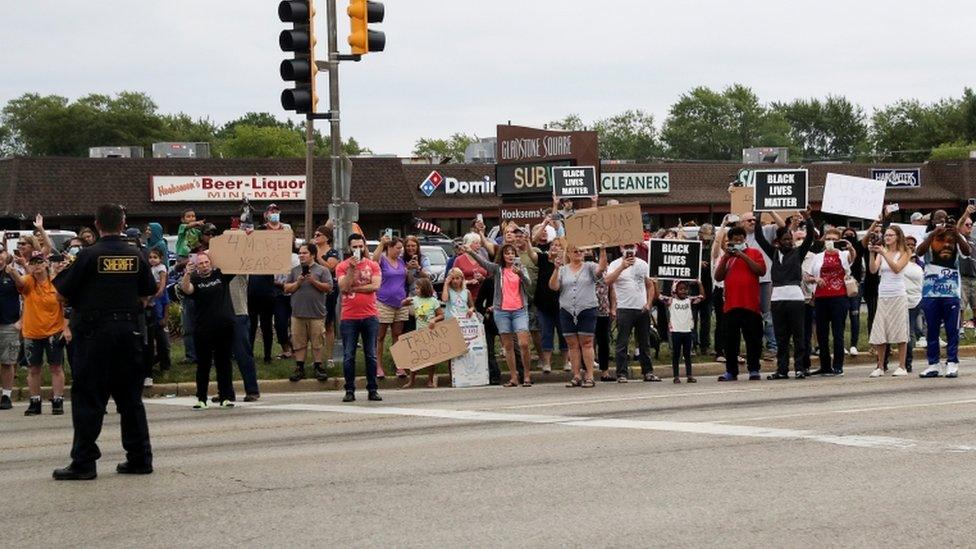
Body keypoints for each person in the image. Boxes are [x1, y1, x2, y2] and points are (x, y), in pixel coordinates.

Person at [51, 203, 156, 480]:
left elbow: (61, 293)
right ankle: (140, 458)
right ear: (123, 224)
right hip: (128, 332)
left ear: (97, 225)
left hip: (94, 335)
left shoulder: (88, 255)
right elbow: (148, 294)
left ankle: (84, 462)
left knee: (88, 398)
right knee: (131, 399)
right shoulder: (137, 255)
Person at [753, 208, 816, 380]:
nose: (789, 242)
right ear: (778, 241)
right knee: (781, 336)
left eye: (790, 239)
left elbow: (810, 237)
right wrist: (757, 216)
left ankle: (800, 368)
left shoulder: (798, 253)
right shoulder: (773, 253)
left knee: (798, 335)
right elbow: (759, 237)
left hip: (795, 298)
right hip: (777, 299)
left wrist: (808, 218)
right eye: (785, 239)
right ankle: (782, 370)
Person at [462, 243, 533, 387]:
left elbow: (529, 284)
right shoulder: (498, 269)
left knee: (524, 344)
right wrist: (471, 252)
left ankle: (526, 375)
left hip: (519, 310)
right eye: (507, 253)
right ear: (502, 255)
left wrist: (519, 273)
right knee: (507, 346)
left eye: (512, 253)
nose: (510, 256)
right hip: (502, 311)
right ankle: (513, 377)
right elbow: (484, 263)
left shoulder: (521, 268)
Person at [179, 251, 237, 409]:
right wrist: (187, 274)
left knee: (223, 363)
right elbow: (187, 289)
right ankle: (202, 398)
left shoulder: (221, 275)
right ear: (196, 266)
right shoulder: (195, 279)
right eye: (200, 264)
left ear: (211, 262)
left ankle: (225, 396)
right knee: (203, 364)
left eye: (206, 262)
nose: (204, 266)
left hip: (224, 326)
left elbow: (238, 263)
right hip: (203, 328)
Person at [916, 215, 971, 377]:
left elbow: (967, 252)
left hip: (951, 291)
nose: (946, 244)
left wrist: (956, 234)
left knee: (951, 329)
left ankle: (952, 362)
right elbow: (919, 252)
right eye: (940, 220)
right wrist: (934, 234)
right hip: (931, 291)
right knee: (931, 329)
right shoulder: (929, 236)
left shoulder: (957, 236)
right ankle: (933, 364)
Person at [13, 251, 67, 416]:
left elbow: (65, 307)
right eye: (33, 263)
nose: (36, 266)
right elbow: (19, 282)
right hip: (32, 332)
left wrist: (66, 327)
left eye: (39, 262)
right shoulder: (29, 282)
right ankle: (35, 400)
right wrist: (12, 270)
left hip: (54, 330)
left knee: (56, 367)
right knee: (33, 369)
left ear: (46, 264)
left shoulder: (56, 282)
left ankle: (57, 400)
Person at [549, 242, 607, 388]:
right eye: (574, 251)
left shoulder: (589, 266)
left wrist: (602, 250)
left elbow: (601, 269)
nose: (578, 253)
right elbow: (554, 286)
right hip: (567, 309)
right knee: (572, 344)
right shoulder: (563, 269)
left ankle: (589, 375)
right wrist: (556, 269)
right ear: (568, 254)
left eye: (580, 251)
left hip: (586, 308)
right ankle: (576, 375)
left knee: (587, 342)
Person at [714, 226, 767, 381]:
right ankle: (731, 371)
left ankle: (754, 369)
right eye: (735, 239)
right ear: (730, 241)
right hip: (731, 305)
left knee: (753, 340)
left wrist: (742, 255)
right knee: (730, 341)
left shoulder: (755, 253)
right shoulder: (727, 257)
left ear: (745, 239)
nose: (738, 241)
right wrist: (726, 257)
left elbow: (760, 271)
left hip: (751, 305)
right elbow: (718, 277)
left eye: (740, 239)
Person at [336, 233, 383, 402]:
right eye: (354, 246)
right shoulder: (342, 266)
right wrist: (351, 270)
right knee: (349, 355)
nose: (357, 249)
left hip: (370, 315)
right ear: (349, 248)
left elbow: (375, 286)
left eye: (360, 246)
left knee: (370, 354)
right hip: (349, 316)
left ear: (364, 246)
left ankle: (373, 389)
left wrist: (355, 289)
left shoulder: (373, 265)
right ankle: (349, 389)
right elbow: (343, 287)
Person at [605, 243, 661, 382]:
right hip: (624, 308)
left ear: (636, 248)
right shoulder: (614, 264)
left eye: (632, 246)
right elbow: (608, 281)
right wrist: (622, 267)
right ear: (621, 249)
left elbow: (649, 285)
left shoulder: (643, 264)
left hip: (641, 308)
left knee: (644, 342)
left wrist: (648, 303)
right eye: (626, 247)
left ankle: (647, 372)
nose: (629, 249)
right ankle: (622, 373)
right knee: (622, 342)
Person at [808, 228, 856, 376]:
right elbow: (808, 276)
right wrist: (815, 279)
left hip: (839, 296)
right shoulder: (818, 257)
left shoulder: (843, 255)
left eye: (834, 240)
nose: (831, 242)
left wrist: (850, 247)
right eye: (828, 239)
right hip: (821, 297)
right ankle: (825, 365)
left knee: (838, 332)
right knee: (822, 334)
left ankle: (838, 365)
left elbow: (852, 257)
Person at [285, 243, 334, 382]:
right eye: (300, 253)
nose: (301, 255)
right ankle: (300, 367)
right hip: (298, 313)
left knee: (317, 342)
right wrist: (298, 282)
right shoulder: (294, 271)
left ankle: (318, 366)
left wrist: (313, 281)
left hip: (316, 313)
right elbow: (287, 288)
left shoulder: (322, 270)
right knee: (298, 342)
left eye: (305, 253)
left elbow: (328, 288)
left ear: (312, 255)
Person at [868, 225, 911, 377]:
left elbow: (897, 268)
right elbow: (873, 270)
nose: (887, 238)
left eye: (891, 235)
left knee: (900, 329)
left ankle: (902, 366)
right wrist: (872, 254)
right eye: (886, 235)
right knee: (881, 329)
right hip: (883, 294)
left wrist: (884, 253)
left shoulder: (904, 252)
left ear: (898, 237)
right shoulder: (881, 252)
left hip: (898, 294)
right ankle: (880, 366)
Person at [372, 236, 410, 378]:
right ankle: (378, 367)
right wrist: (381, 243)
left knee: (397, 335)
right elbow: (373, 260)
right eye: (398, 248)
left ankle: (399, 366)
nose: (400, 251)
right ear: (390, 247)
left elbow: (406, 279)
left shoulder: (401, 262)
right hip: (383, 301)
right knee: (380, 336)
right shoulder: (382, 260)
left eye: (401, 248)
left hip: (401, 302)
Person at [534, 238, 569, 374]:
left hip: (562, 305)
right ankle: (546, 363)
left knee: (564, 334)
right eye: (553, 245)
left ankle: (566, 362)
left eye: (559, 245)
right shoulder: (543, 259)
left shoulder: (566, 264)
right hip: (544, 305)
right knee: (546, 334)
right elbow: (532, 253)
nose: (555, 247)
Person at [402, 278, 444, 389]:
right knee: (416, 359)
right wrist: (405, 302)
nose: (416, 290)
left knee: (431, 358)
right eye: (415, 288)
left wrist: (434, 320)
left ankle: (430, 380)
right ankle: (411, 381)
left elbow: (441, 315)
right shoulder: (415, 299)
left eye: (417, 288)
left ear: (425, 288)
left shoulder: (433, 301)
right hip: (418, 332)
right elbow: (403, 304)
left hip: (430, 333)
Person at [226, 274, 261, 401]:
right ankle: (226, 391)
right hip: (221, 315)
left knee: (243, 354)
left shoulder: (238, 267)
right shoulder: (213, 264)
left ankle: (252, 390)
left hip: (238, 313)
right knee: (222, 356)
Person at [660, 281, 701, 383]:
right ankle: (676, 376)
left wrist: (699, 284)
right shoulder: (671, 301)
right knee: (676, 354)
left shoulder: (689, 301)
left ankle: (689, 375)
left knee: (687, 354)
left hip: (687, 331)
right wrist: (655, 283)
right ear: (675, 290)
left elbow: (702, 296)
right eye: (681, 289)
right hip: (676, 331)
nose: (683, 291)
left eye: (685, 289)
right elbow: (659, 297)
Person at [313, 225, 341, 367]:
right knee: (314, 324)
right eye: (315, 234)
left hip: (328, 290)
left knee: (328, 323)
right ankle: (316, 357)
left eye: (319, 234)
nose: (316, 236)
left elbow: (330, 267)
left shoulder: (332, 252)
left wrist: (317, 254)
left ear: (327, 238)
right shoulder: (311, 250)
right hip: (312, 289)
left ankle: (329, 356)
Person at [0, 244, 20, 410]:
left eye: (0, 252)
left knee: (7, 362)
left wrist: (22, 321)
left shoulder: (12, 273)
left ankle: (6, 396)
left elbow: (27, 294)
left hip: (8, 324)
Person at [146, 248, 171, 377]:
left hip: (160, 318)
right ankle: (151, 365)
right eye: (150, 257)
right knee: (150, 344)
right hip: (150, 318)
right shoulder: (149, 270)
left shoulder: (161, 269)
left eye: (155, 257)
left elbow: (166, 303)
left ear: (161, 258)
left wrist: (165, 319)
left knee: (163, 344)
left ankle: (165, 366)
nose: (152, 259)